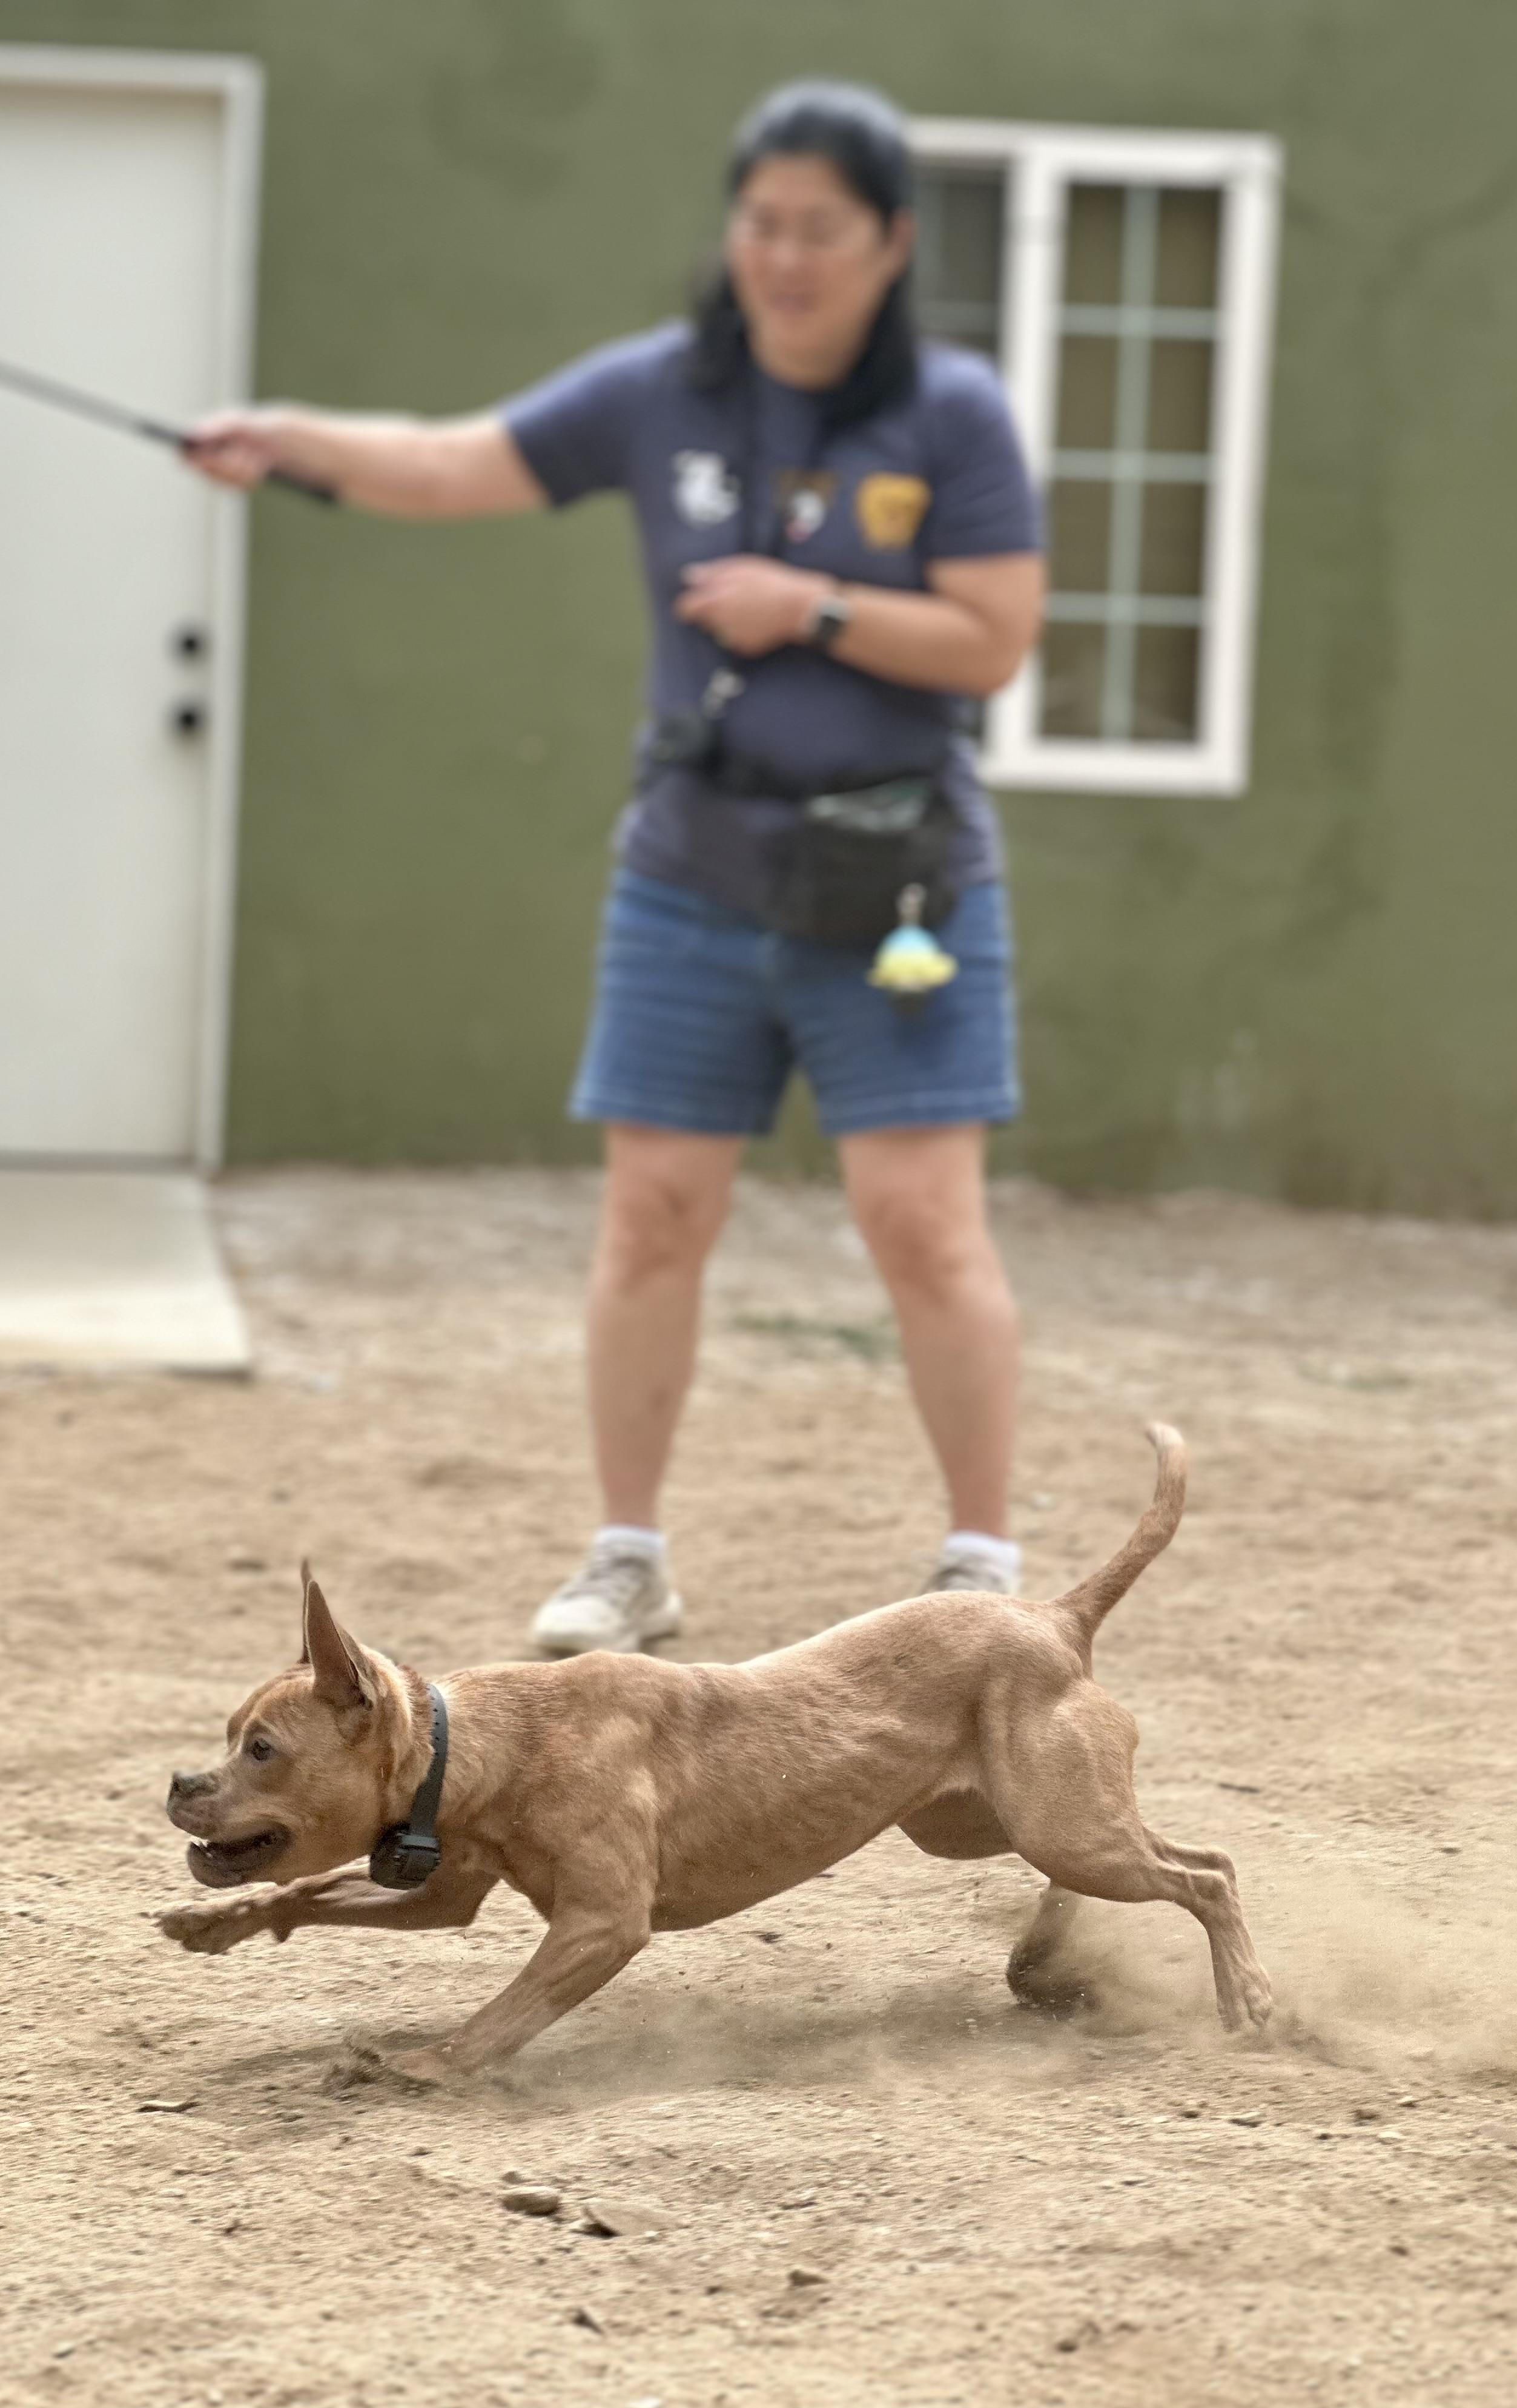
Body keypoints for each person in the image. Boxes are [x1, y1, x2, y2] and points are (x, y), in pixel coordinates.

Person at [187, 79, 1046, 1657]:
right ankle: (630, 1560)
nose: (784, 258)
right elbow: (453, 463)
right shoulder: (664, 393)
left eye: (821, 231)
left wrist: (816, 608)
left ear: (892, 244)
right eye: (761, 224)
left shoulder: (952, 415)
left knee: (920, 1224)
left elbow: (997, 633)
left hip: (899, 881)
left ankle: (982, 1569)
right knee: (653, 1211)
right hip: (690, 869)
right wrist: (287, 443)